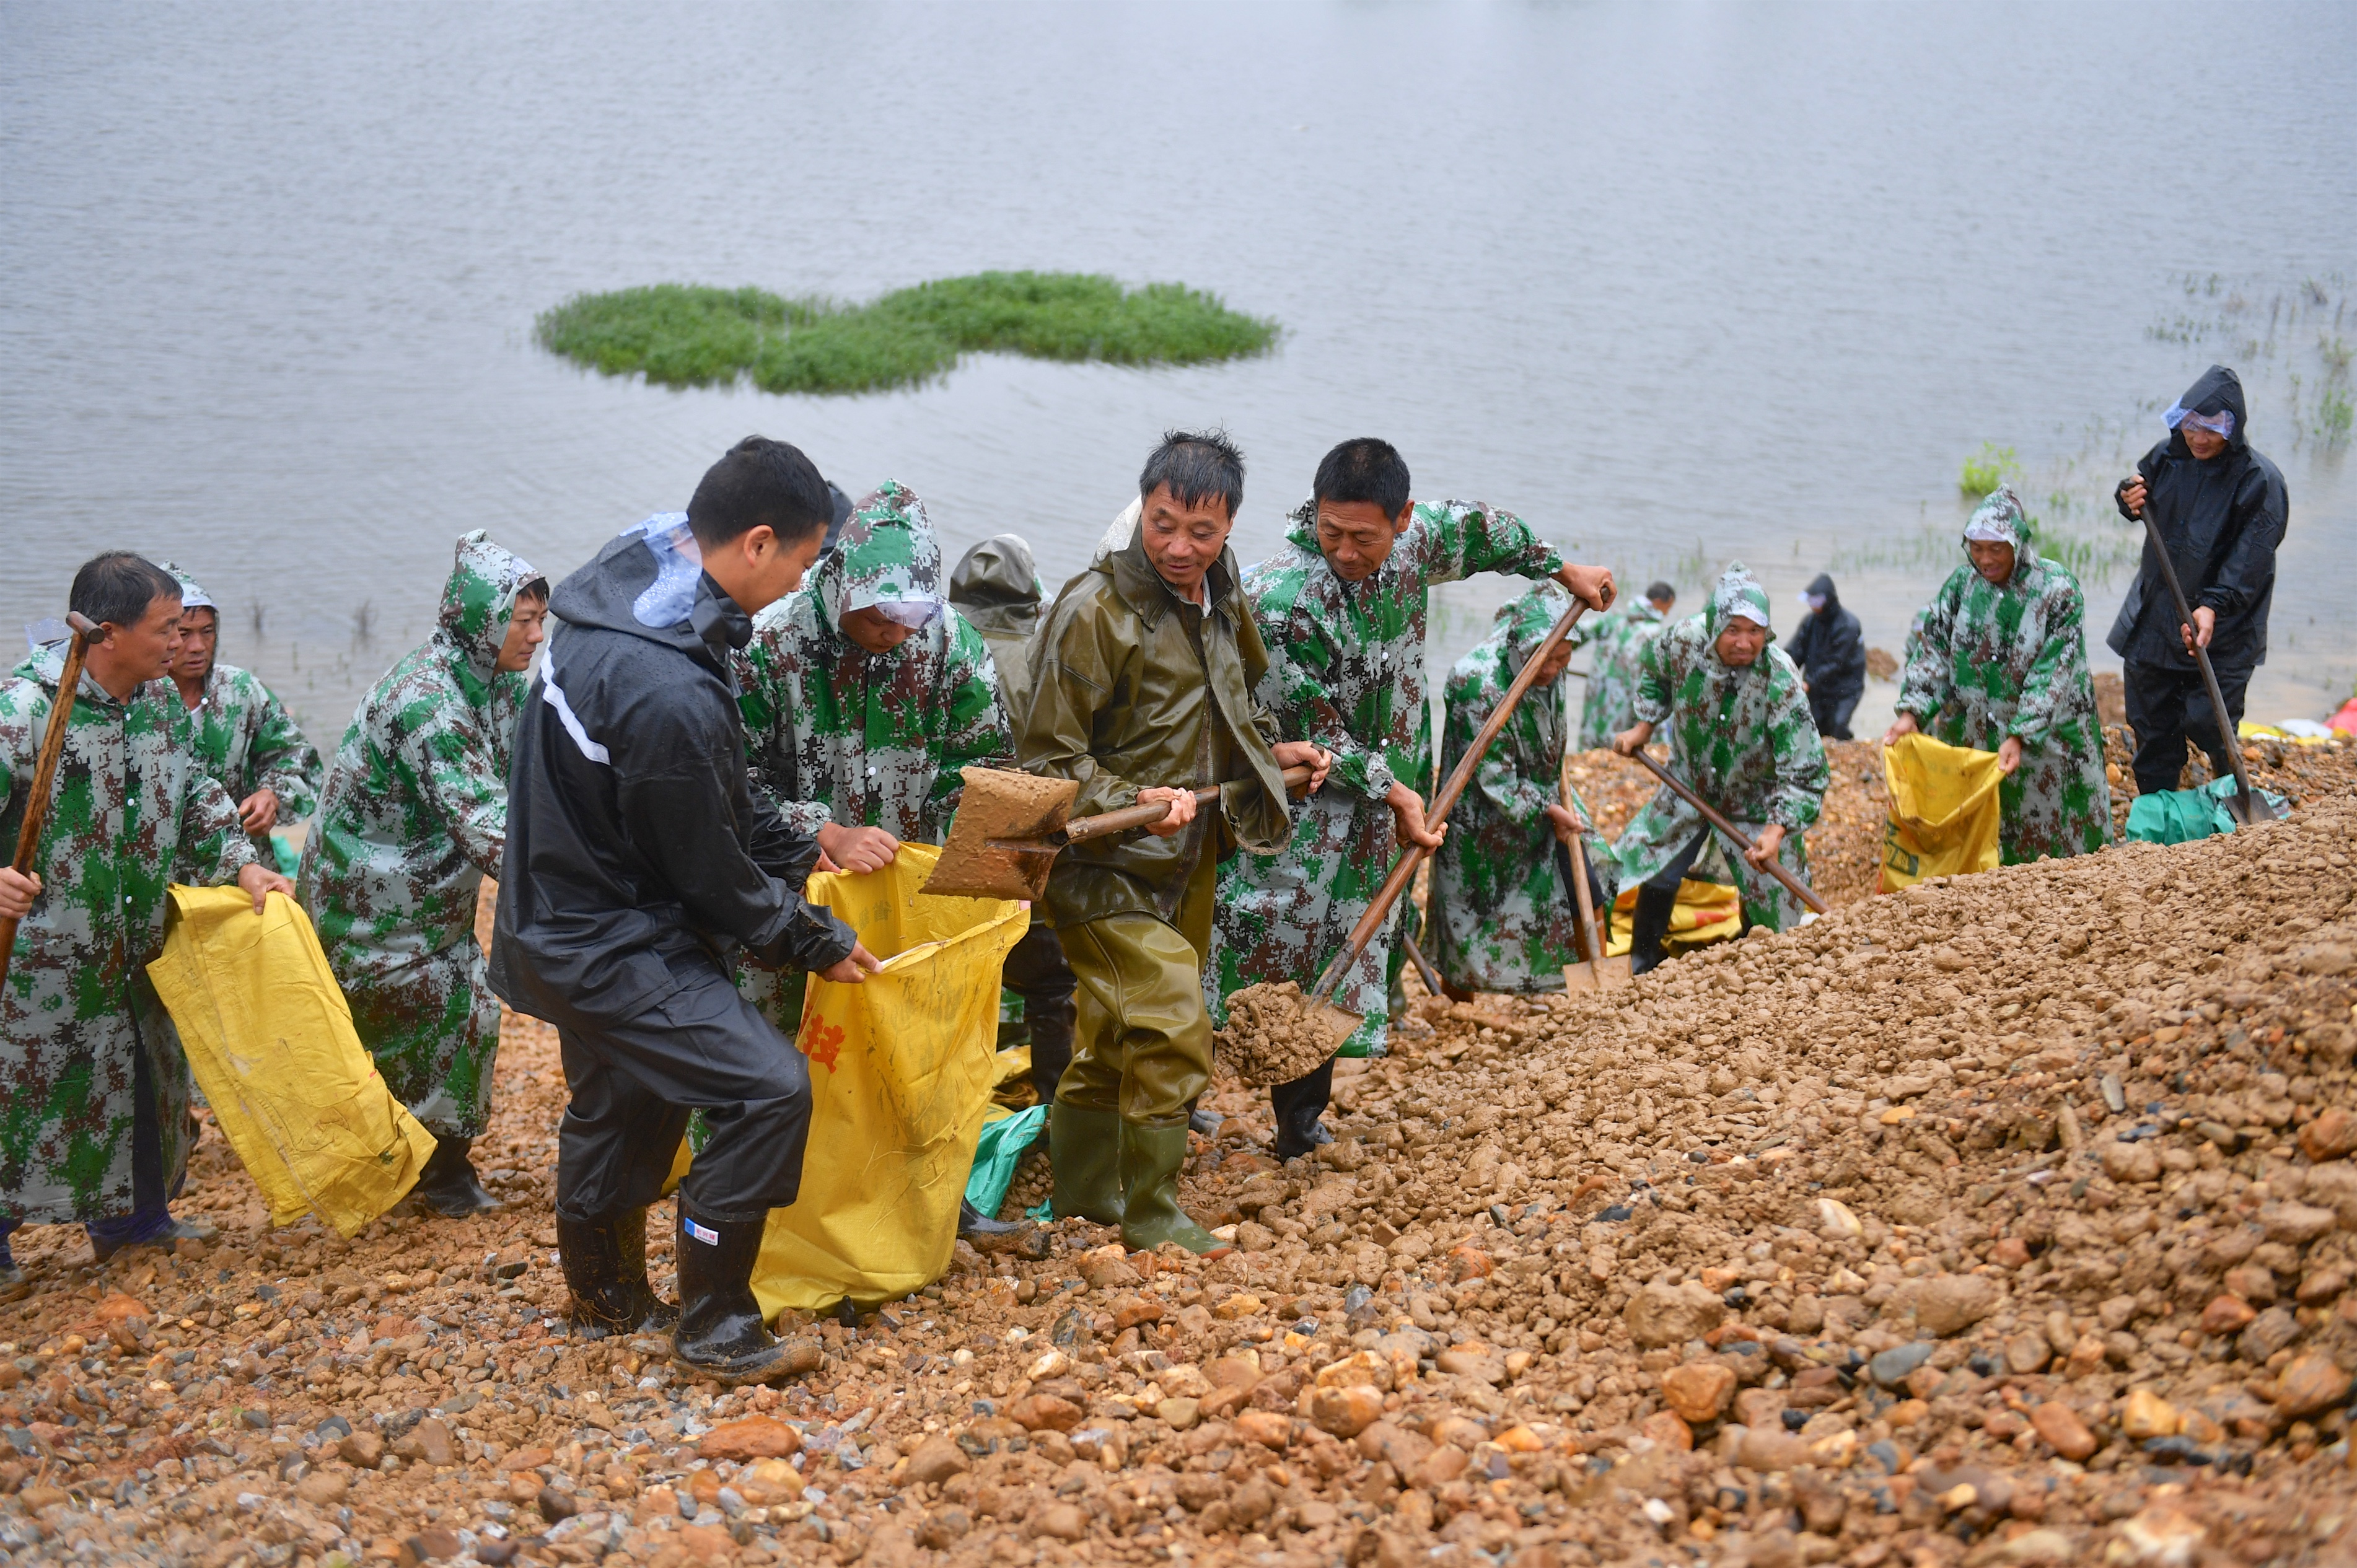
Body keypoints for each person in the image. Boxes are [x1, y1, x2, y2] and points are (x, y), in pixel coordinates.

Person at [491, 436, 877, 1383]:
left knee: (628, 1089)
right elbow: (711, 869)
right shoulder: (665, 691)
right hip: (605, 932)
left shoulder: (648, 556)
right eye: (802, 557)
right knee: (766, 1089)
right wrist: (815, 937)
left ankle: (604, 1294)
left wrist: (802, 843)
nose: (803, 579)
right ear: (754, 542)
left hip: (558, 895)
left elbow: (712, 797)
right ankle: (716, 1318)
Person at [1208, 437, 1614, 1160]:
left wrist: (1562, 569)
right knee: (1269, 944)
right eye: (1331, 531)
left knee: (1355, 940)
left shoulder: (1417, 544)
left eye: (1365, 536)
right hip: (1305, 811)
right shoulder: (1282, 597)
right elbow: (1306, 727)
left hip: (1386, 799)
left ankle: (1298, 1127)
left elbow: (1488, 530)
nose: (1347, 549)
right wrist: (1390, 789)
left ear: (1403, 519)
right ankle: (1177, 1103)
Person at [1022, 430, 1330, 1253]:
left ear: (1230, 525)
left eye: (1202, 531)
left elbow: (1236, 708)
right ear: (1143, 508)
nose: (1179, 547)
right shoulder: (1095, 610)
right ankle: (1154, 1210)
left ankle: (1084, 1197)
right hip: (1098, 863)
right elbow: (1048, 758)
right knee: (1171, 1018)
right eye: (1163, 524)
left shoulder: (1222, 598)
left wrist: (1273, 755)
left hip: (1189, 858)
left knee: (1120, 1035)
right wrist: (1134, 799)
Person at [0, 553, 294, 1289]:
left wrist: (241, 861)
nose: (182, 643)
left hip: (137, 944)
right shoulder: (30, 710)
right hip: (46, 960)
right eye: (166, 628)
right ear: (107, 634)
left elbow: (194, 790)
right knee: (26, 1093)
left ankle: (134, 1222)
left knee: (143, 1079)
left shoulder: (159, 704)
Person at [734, 483, 1017, 1243]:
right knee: (772, 1058)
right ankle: (762, 1226)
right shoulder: (770, 645)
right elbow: (722, 784)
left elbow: (986, 766)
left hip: (907, 901)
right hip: (785, 899)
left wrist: (990, 875)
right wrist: (820, 830)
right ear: (838, 583)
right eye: (879, 611)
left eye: (912, 612)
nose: (896, 629)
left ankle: (931, 1205)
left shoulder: (950, 642)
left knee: (920, 1052)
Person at [299, 531, 547, 1218]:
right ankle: (435, 1171)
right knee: (449, 1008)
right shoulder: (428, 700)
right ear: (479, 618)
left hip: (432, 892)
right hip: (366, 897)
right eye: (519, 621)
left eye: (538, 620)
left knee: (455, 1012)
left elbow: (542, 776)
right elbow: (488, 824)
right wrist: (587, 883)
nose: (533, 635)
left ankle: (431, 1162)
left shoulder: (500, 684)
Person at [1612, 563, 1828, 974]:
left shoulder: (1779, 676)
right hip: (1687, 788)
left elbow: (1805, 767)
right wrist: (1644, 725)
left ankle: (1757, 955)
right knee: (1655, 869)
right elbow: (1654, 673)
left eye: (1755, 632)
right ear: (1714, 626)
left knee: (1774, 901)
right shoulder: (1683, 641)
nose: (1745, 643)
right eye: (1734, 630)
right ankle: (1643, 960)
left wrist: (1776, 828)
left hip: (1755, 801)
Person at [1886, 486, 2111, 862]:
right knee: (1985, 842)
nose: (1985, 559)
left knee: (2057, 847)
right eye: (1976, 547)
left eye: (1996, 549)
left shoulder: (2057, 591)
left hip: (2049, 744)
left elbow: (2053, 673)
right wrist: (1912, 712)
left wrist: (2021, 735)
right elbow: (1934, 651)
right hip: (1975, 737)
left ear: (2018, 544)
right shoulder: (1961, 586)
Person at [1429, 585, 1619, 995]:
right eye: (1544, 659)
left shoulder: (1551, 650)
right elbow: (1495, 777)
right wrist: (1549, 810)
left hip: (1546, 795)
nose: (1553, 668)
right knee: (1470, 917)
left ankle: (1600, 992)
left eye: (1563, 659)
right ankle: (1455, 1006)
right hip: (1481, 816)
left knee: (1587, 878)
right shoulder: (1476, 684)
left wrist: (1554, 805)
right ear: (1518, 646)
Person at [947, 534, 1079, 1124]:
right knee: (1051, 986)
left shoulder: (943, 649)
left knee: (957, 989)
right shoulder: (1044, 656)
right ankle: (1057, 1111)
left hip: (948, 850)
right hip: (1030, 846)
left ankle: (958, 1114)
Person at [2110, 365, 2288, 795]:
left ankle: (2229, 793)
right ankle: (2160, 807)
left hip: (2224, 627)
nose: (2199, 438)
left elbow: (2251, 558)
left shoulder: (2260, 481)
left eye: (2211, 429)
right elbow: (2138, 496)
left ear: (2233, 427)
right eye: (2191, 425)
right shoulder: (2167, 459)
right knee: (2151, 723)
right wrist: (2126, 498)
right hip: (2158, 615)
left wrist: (2212, 605)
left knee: (2210, 720)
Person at [156, 563, 323, 874]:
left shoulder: (240, 692)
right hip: (164, 880)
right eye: (183, 633)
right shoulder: (140, 699)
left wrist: (271, 794)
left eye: (207, 632)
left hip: (245, 870)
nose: (197, 647)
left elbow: (296, 756)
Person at [1577, 580, 1675, 751]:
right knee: (1619, 752)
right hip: (1626, 707)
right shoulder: (1655, 633)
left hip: (1597, 703)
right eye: (1669, 607)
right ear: (1660, 602)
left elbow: (1576, 632)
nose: (1667, 613)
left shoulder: (1613, 621)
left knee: (1590, 753)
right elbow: (1659, 681)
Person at [1785, 572, 1866, 740]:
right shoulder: (1810, 622)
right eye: (1811, 602)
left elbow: (1835, 662)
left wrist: (1808, 683)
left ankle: (1847, 747)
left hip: (1845, 688)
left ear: (1829, 600)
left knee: (1837, 725)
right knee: (1813, 726)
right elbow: (1796, 651)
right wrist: (1782, 671)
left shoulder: (1848, 626)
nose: (1813, 606)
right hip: (1818, 688)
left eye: (1817, 602)